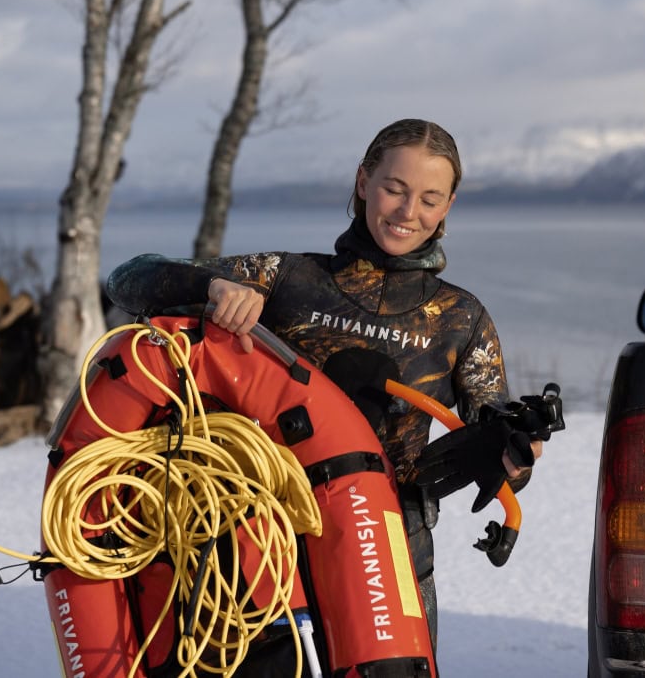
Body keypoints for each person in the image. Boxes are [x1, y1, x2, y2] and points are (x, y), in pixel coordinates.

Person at [106, 118, 546, 660]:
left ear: (448, 206)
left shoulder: (460, 318)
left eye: (430, 199)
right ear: (363, 182)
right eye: (394, 189)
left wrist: (515, 455)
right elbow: (129, 279)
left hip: (391, 549)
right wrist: (212, 286)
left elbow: (493, 446)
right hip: (264, 540)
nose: (408, 212)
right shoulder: (287, 279)